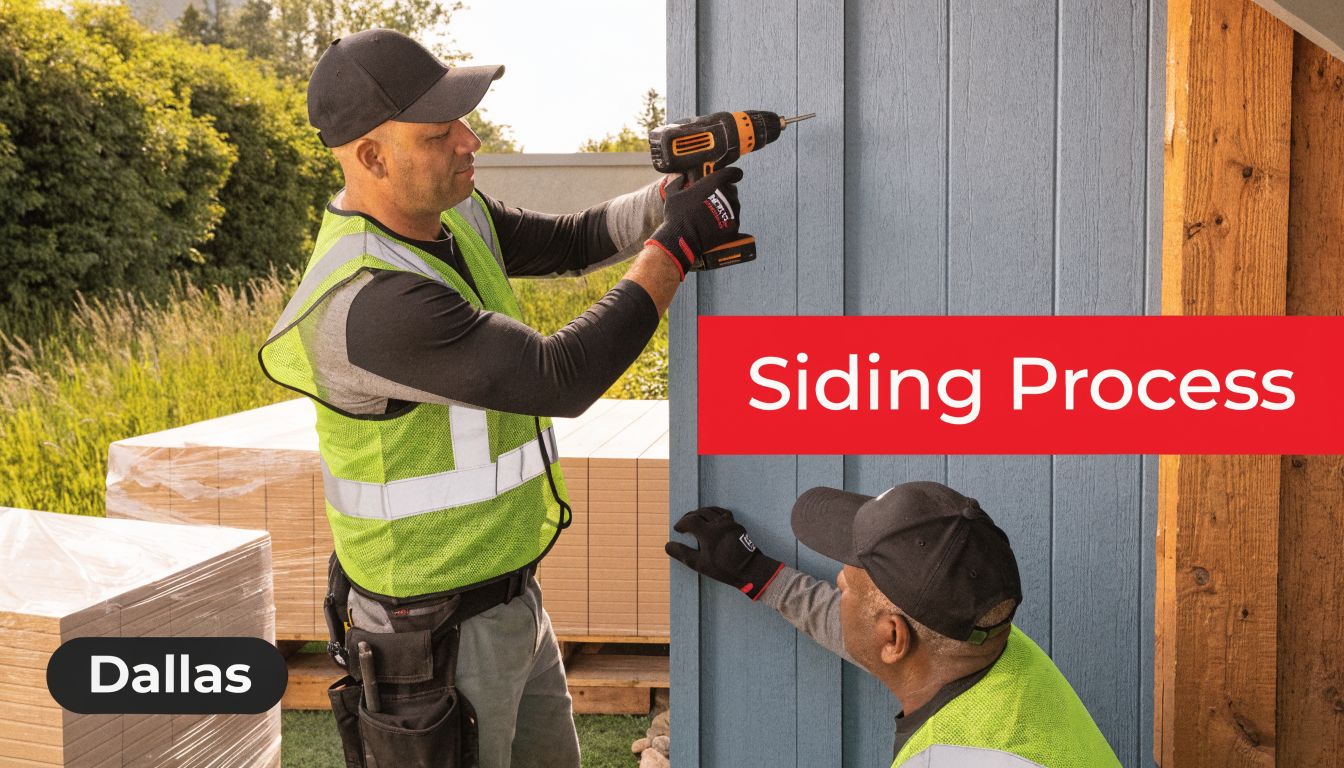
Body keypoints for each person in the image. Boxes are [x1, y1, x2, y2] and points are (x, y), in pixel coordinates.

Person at [259, 28, 749, 768]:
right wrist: (674, 250)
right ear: (372, 157)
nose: (470, 139)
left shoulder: (454, 215)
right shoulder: (369, 302)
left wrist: (667, 200)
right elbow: (559, 376)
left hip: (509, 602)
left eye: (461, 119)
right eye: (439, 133)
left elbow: (574, 240)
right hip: (431, 638)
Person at [666, 481, 1123, 767]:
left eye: (846, 585)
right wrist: (762, 576)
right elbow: (867, 632)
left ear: (893, 637)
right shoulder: (986, 641)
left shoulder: (946, 759)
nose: (838, 581)